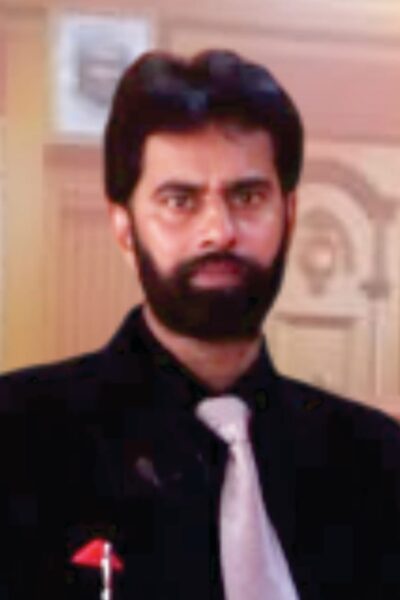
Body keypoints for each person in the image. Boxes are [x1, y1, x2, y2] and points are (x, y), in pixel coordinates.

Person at [0, 49, 399, 600]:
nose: (220, 230)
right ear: (124, 228)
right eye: (179, 200)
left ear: (289, 215)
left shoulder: (377, 459)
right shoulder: (17, 438)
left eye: (248, 196)